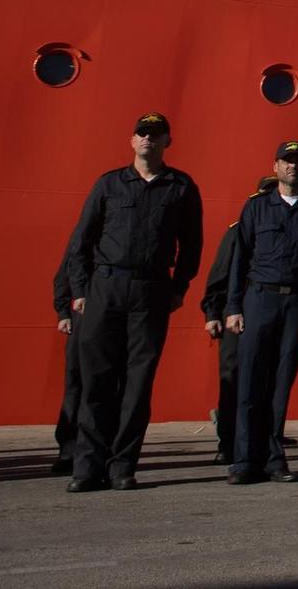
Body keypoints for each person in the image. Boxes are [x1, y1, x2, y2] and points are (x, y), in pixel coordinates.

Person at [62, 111, 204, 492]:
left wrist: (179, 288)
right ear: (132, 141)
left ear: (167, 142)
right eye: (142, 133)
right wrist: (79, 291)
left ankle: (122, 465)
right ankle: (87, 467)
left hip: (150, 291)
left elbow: (192, 244)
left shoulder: (181, 187)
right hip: (105, 288)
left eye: (156, 135)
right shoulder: (109, 185)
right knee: (97, 381)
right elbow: (82, 242)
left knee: (138, 384)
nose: (148, 140)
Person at [225, 141, 298, 484]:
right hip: (260, 298)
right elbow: (239, 259)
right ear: (275, 167)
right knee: (250, 382)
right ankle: (244, 460)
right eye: (287, 161)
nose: (293, 167)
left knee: (281, 381)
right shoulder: (256, 207)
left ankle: (274, 458)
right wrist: (232, 306)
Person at [200, 176, 277, 463]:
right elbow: (219, 275)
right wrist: (212, 314)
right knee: (232, 379)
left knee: (267, 378)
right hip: (236, 314)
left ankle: (261, 439)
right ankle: (228, 442)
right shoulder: (238, 231)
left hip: (267, 313)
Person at [48, 253, 81, 475]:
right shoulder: (90, 228)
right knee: (76, 386)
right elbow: (64, 272)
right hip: (83, 320)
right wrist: (63, 312)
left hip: (113, 316)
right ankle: (68, 452)